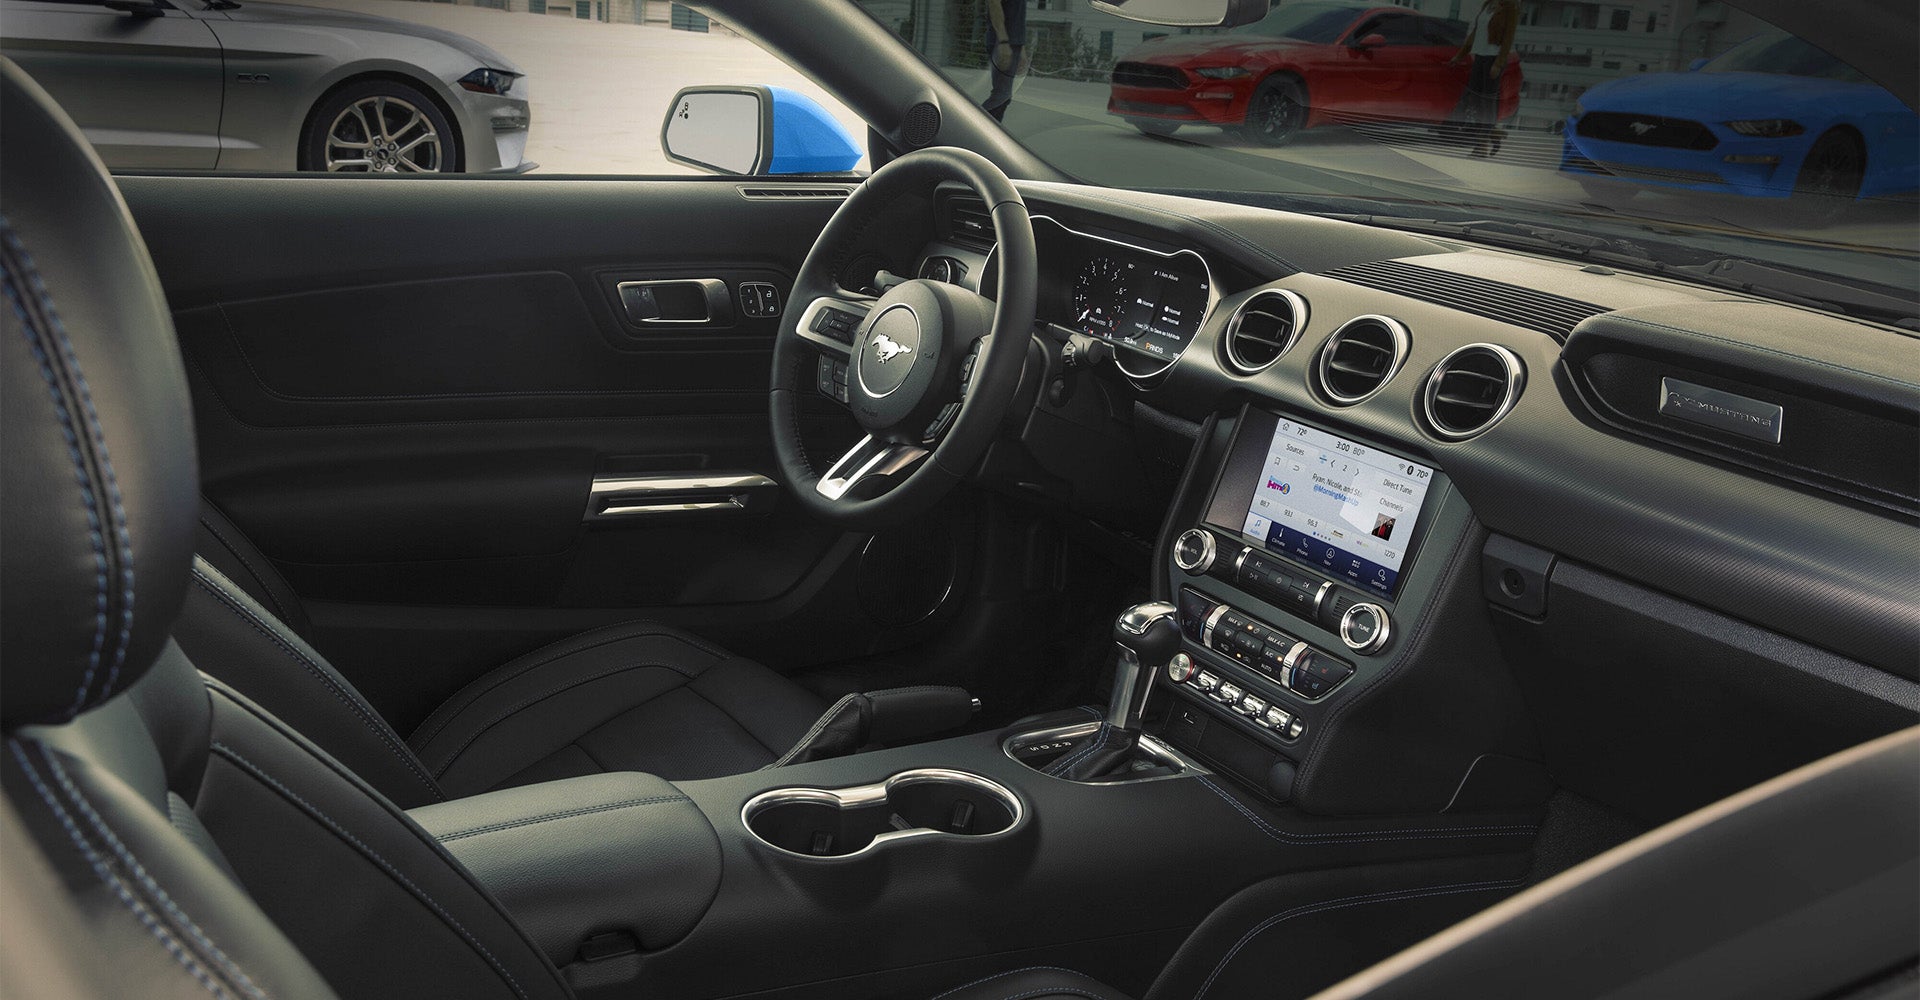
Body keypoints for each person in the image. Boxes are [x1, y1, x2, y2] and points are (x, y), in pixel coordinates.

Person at [1448, 0, 1520, 156]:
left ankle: (1481, 145)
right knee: (1473, 98)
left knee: (1487, 103)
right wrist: (1460, 55)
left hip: (1493, 59)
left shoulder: (1509, 7)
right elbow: (1476, 33)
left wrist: (1498, 63)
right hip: (1480, 57)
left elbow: (1508, 37)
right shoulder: (1487, 4)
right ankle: (1492, 133)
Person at [982, 0, 1029, 122]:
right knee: (1001, 95)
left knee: (1004, 96)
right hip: (1003, 43)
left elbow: (1018, 13)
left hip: (1013, 43)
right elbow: (994, 4)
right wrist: (1003, 41)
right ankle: (974, 126)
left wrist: (1021, 47)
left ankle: (985, 127)